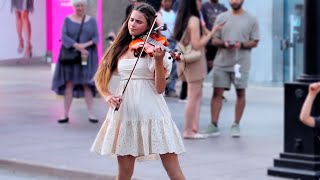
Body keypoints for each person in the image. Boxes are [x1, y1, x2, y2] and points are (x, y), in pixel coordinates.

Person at [91, 3, 186, 180]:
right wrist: (108, 96)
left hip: (153, 112)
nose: (132, 24)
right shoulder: (119, 47)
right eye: (131, 20)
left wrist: (158, 62)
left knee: (173, 170)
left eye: (138, 22)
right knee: (124, 174)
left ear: (149, 27)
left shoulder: (157, 49)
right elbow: (100, 78)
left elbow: (159, 89)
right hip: (126, 113)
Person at [207, 0, 260, 137]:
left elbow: (255, 41)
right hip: (222, 62)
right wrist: (224, 43)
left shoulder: (251, 19)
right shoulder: (221, 17)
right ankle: (213, 124)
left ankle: (236, 124)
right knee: (217, 92)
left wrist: (241, 44)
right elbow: (214, 40)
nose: (234, 1)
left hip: (241, 63)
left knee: (240, 93)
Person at [173, 0, 224, 139]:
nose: (201, 3)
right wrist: (211, 32)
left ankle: (194, 128)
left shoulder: (184, 18)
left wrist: (209, 31)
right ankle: (188, 130)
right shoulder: (194, 19)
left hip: (188, 61)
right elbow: (197, 44)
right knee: (193, 95)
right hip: (194, 60)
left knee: (196, 94)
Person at [51, 0, 99, 124]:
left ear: (85, 6)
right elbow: (64, 36)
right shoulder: (67, 20)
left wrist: (84, 46)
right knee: (69, 85)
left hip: (86, 58)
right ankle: (65, 114)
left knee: (87, 84)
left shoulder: (92, 21)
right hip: (71, 59)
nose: (79, 7)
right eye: (77, 5)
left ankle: (91, 114)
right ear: (73, 6)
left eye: (81, 5)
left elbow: (96, 38)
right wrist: (78, 46)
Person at [201, 0, 227, 72]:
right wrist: (210, 35)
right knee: (204, 68)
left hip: (218, 44)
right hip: (207, 43)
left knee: (215, 67)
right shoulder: (203, 7)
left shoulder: (224, 9)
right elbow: (201, 26)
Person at [160, 0, 179, 97]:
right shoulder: (159, 14)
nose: (167, 3)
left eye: (169, 1)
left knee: (174, 67)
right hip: (162, 42)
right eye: (165, 1)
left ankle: (171, 88)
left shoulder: (174, 14)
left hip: (172, 43)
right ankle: (161, 87)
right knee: (163, 65)